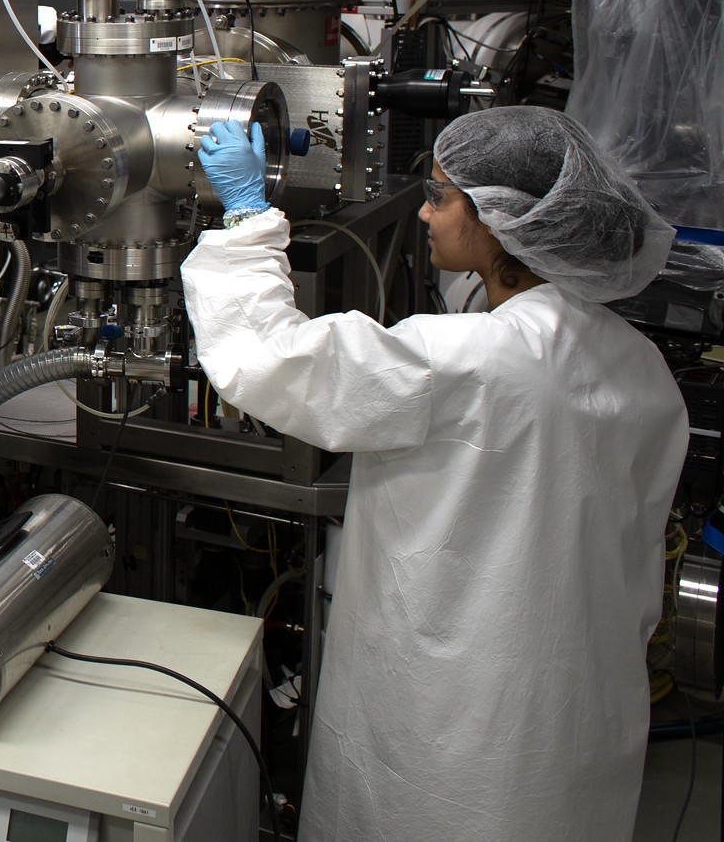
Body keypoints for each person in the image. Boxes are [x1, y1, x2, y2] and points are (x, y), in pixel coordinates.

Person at [180, 107, 687, 842]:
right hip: (580, 717)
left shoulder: (466, 362)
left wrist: (250, 217)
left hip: (454, 732)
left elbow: (274, 359)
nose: (422, 210)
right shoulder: (639, 366)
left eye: (441, 197)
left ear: (503, 223)